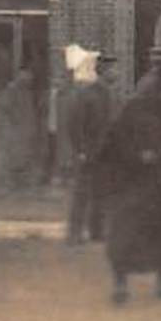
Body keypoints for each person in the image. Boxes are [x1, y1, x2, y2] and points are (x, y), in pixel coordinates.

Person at [96, 68, 161, 305]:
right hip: (131, 181)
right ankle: (120, 284)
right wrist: (137, 155)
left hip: (160, 180)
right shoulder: (130, 111)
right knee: (126, 230)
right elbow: (111, 144)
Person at [65, 52, 119, 245]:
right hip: (89, 151)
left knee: (102, 192)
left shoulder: (112, 95)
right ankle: (74, 233)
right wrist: (79, 150)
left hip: (106, 152)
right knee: (82, 193)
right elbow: (75, 124)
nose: (117, 73)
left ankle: (97, 231)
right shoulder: (87, 94)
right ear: (103, 70)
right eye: (113, 69)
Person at [0, 67, 42, 191]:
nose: (28, 78)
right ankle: (12, 182)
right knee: (15, 156)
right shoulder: (12, 89)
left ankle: (22, 183)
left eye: (30, 76)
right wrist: (15, 121)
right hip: (15, 129)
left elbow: (32, 109)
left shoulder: (29, 91)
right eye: (26, 75)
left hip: (27, 127)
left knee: (26, 155)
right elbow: (6, 107)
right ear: (20, 75)